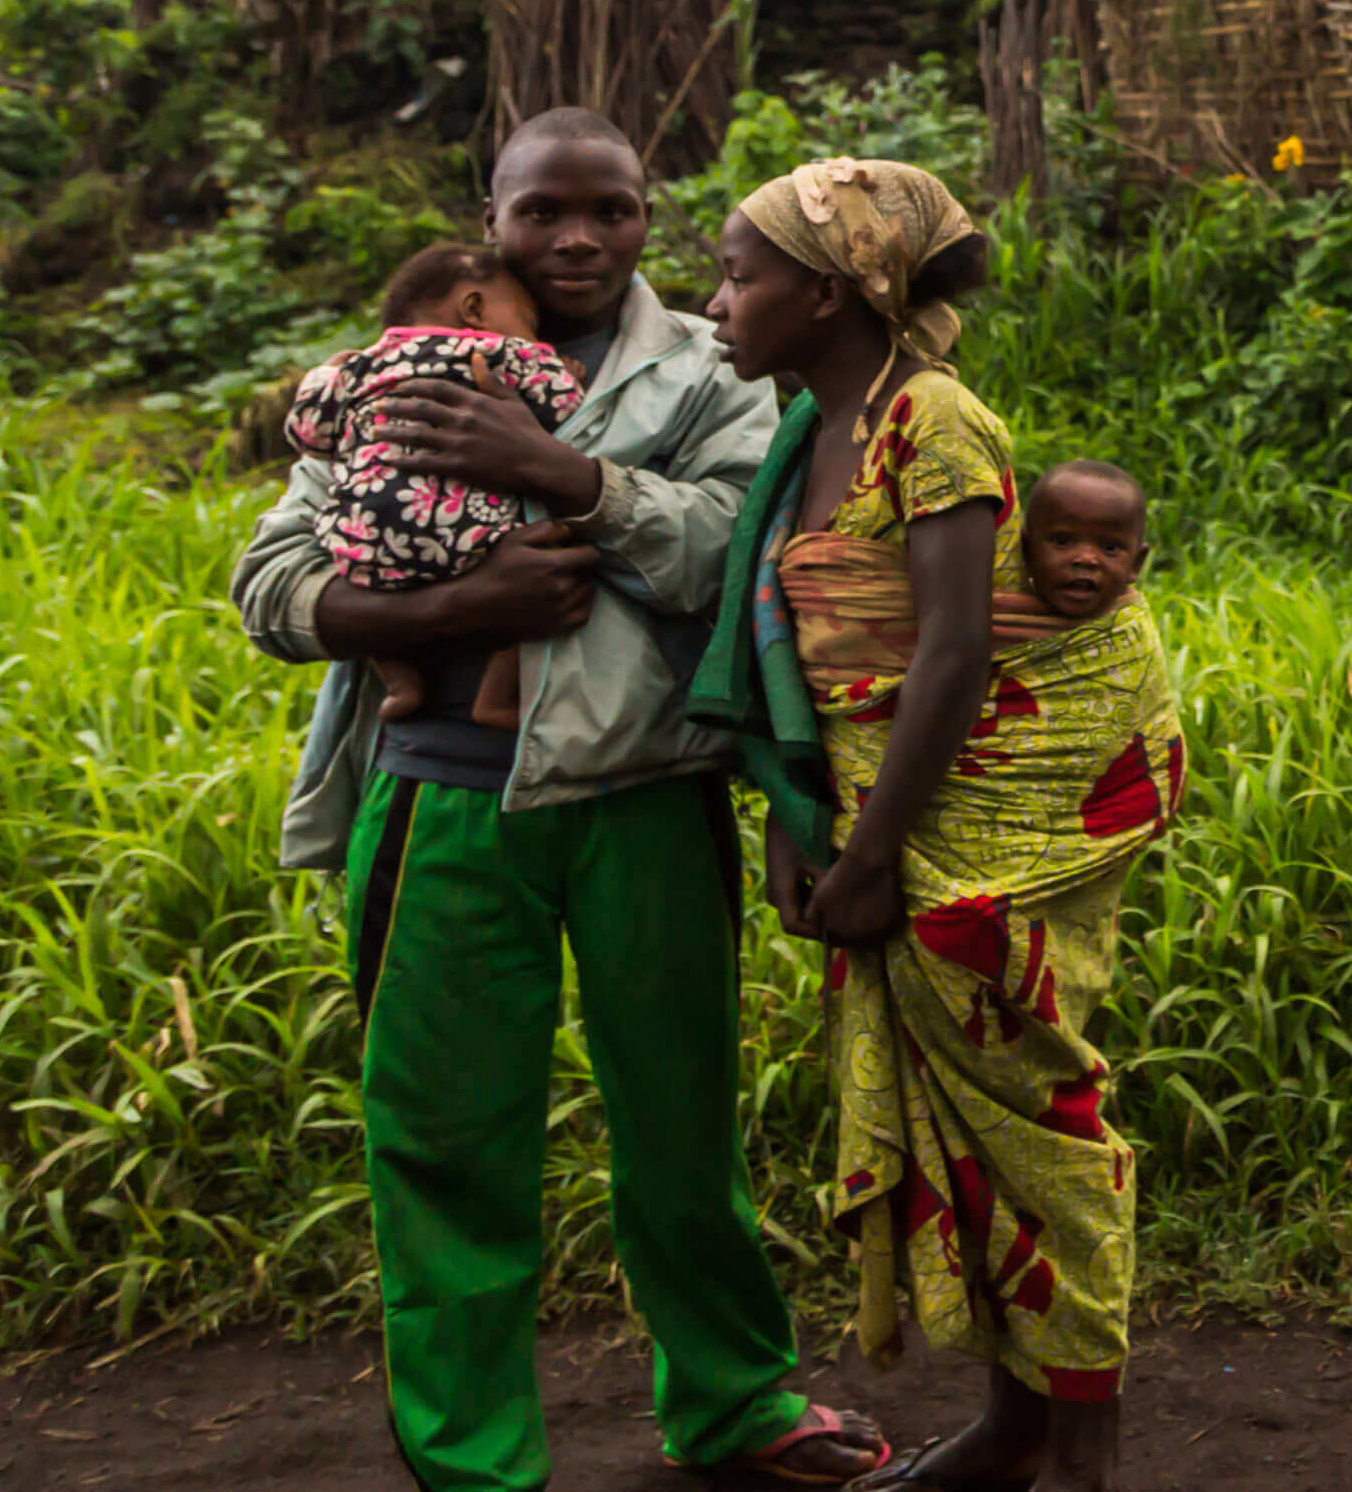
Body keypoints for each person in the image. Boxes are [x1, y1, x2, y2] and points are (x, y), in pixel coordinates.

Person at [231, 109, 883, 1492]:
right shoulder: (398, 362)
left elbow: (745, 545)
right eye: (542, 212)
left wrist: (565, 476)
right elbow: (272, 580)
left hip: (649, 794)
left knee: (682, 1119)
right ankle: (475, 1460)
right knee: (444, 1139)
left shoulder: (708, 367)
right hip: (441, 804)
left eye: (612, 209)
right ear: (493, 217)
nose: (578, 238)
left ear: (649, 215)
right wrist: (457, 605)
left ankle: (734, 1401)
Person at [689, 157, 1184, 1492]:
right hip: (879, 810)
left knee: (1042, 1125)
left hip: (976, 829)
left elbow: (956, 652)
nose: (717, 301)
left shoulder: (934, 419)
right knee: (972, 1139)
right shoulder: (813, 428)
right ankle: (1015, 1428)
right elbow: (807, 658)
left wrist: (868, 855)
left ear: (832, 290)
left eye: (739, 274)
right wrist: (801, 822)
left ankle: (1082, 1447)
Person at [286, 238, 585, 726]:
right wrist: (566, 373)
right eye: (527, 319)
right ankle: (495, 697)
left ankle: (400, 682)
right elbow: (566, 411)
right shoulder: (500, 352)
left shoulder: (364, 364)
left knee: (369, 593)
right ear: (474, 309)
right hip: (468, 533)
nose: (533, 332)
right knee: (535, 577)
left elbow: (309, 435)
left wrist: (325, 374)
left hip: (365, 533)